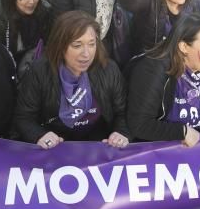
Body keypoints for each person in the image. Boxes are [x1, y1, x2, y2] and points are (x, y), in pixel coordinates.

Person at [127, 14, 200, 147]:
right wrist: (181, 132)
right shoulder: (152, 69)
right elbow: (139, 124)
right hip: (163, 154)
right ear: (184, 47)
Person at [13, 12, 129, 148]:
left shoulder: (108, 69)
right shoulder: (40, 72)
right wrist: (39, 135)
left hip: (97, 145)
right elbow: (24, 117)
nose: (86, 54)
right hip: (56, 146)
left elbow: (122, 113)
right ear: (60, 46)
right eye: (77, 45)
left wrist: (121, 133)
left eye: (91, 44)